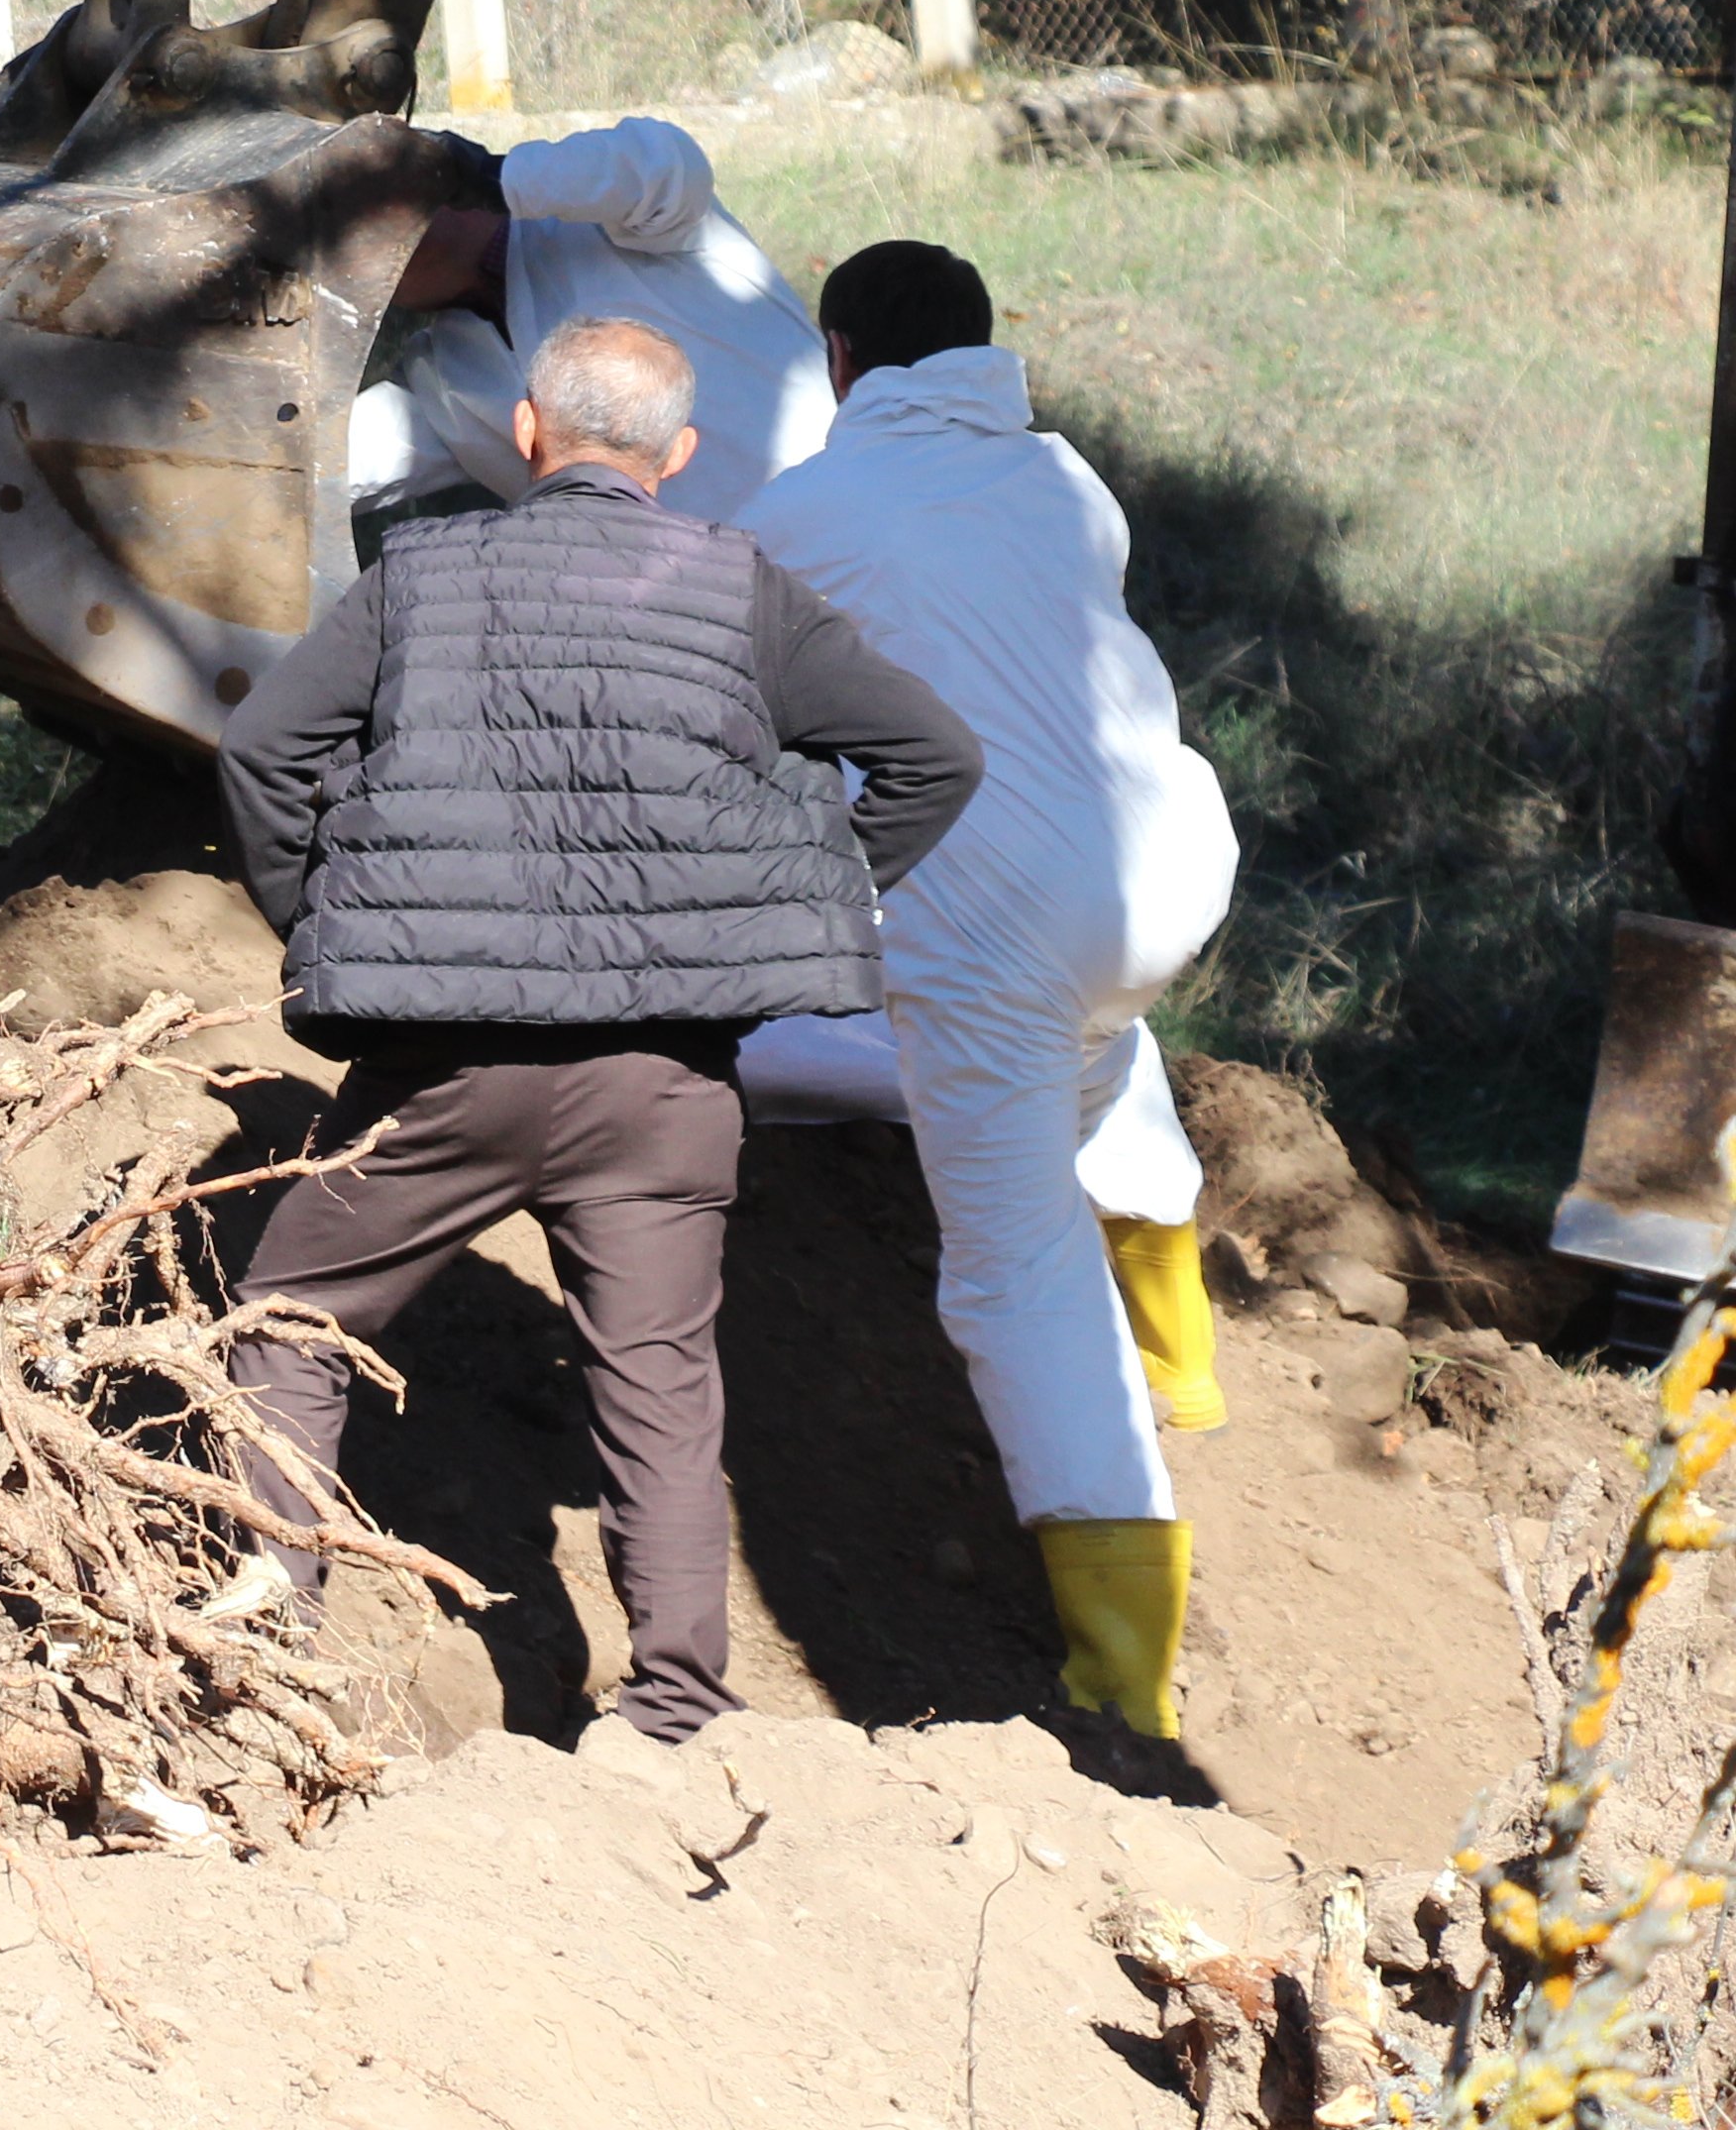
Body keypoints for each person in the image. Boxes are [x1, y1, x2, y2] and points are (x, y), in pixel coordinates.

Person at [212, 315, 982, 1748]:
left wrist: (321, 912)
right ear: (679, 456)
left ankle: (271, 1661)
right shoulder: (747, 590)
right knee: (664, 1392)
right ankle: (674, 1715)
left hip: (447, 1066)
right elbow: (936, 755)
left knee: (287, 1327)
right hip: (664, 1082)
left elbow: (267, 749)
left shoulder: (420, 577)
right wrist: (798, 891)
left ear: (526, 431)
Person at [730, 239, 1241, 1742]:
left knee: (1015, 1268)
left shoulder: (803, 514)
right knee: (1094, 1054)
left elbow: (728, 694)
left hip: (1006, 919)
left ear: (837, 362)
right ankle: (1185, 1353)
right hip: (1166, 872)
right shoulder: (1070, 482)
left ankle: (1126, 1678)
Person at [352, 118, 833, 521]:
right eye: (345, 244)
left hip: (849, 530)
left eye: (389, 205)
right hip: (705, 613)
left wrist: (489, 176)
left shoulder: (620, 223)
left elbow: (663, 163)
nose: (377, 238)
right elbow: (326, 461)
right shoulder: (442, 379)